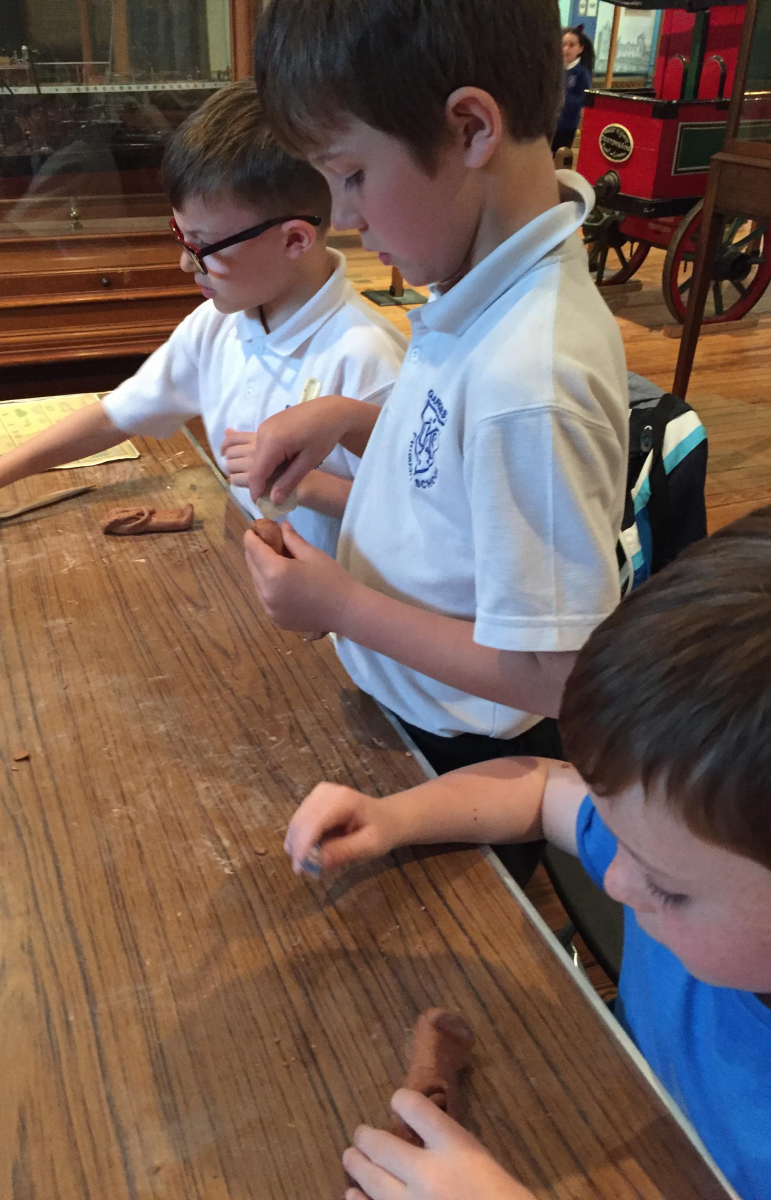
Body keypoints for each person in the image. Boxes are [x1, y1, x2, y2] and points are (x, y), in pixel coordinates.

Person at [243, 0, 628, 879]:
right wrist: (351, 420)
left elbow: (559, 676)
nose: (344, 217)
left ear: (469, 130)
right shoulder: (482, 284)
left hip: (465, 761)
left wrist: (341, 607)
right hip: (405, 713)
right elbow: (463, 464)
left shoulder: (530, 375)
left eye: (350, 175)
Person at [284, 506, 771, 1200]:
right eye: (616, 833)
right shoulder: (692, 840)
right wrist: (394, 817)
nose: (614, 877)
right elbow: (543, 789)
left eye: (667, 887)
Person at [0, 80, 406, 560]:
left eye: (203, 245)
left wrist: (305, 484)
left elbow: (418, 520)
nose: (185, 263)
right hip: (254, 567)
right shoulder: (217, 325)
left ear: (294, 239)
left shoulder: (367, 360)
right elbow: (116, 415)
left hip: (334, 607)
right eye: (181, 236)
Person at [552, 25, 594, 154]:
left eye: (571, 45)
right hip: (551, 124)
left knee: (560, 156)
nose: (566, 49)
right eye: (563, 45)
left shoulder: (581, 73)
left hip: (567, 126)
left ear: (580, 48)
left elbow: (582, 99)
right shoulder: (557, 70)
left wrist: (563, 99)